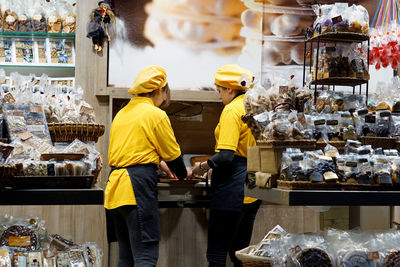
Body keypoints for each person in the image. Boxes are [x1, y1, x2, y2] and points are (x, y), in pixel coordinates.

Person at [105, 65, 189, 267]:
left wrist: (160, 164)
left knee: (126, 258)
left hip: (115, 190)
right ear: (159, 90)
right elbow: (173, 154)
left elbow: (130, 150)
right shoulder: (155, 114)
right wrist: (182, 173)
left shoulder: (122, 113)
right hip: (136, 189)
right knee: (145, 257)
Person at [192, 64, 262, 267]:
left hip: (233, 188)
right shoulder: (253, 106)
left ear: (230, 89)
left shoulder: (232, 110)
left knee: (217, 253)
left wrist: (203, 167)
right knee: (239, 254)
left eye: (220, 91)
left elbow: (226, 156)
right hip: (254, 187)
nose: (219, 96)